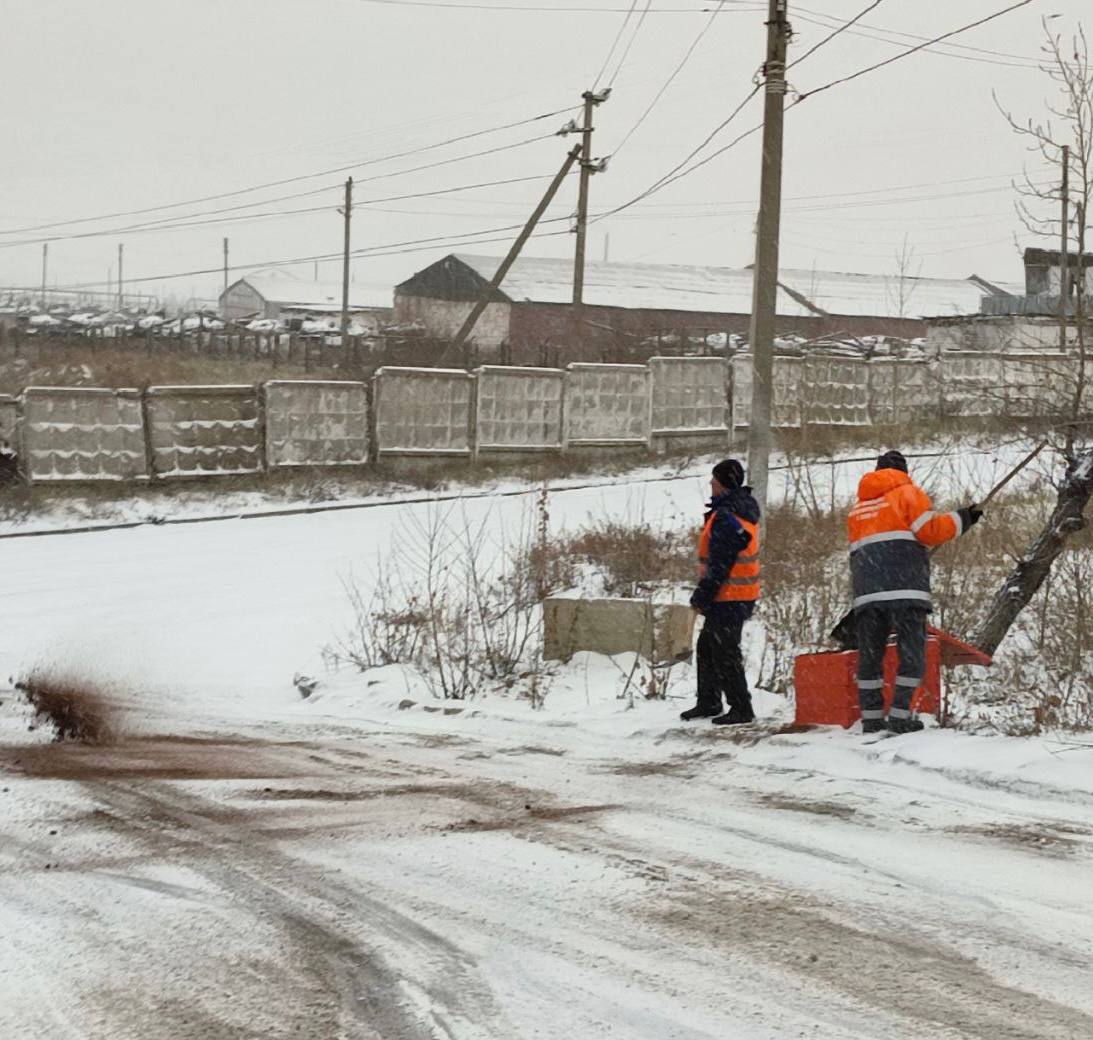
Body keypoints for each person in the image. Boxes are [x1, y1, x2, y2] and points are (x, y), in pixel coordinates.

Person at [848, 449, 982, 734]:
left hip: (868, 592)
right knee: (912, 654)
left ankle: (871, 719)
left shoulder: (858, 509)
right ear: (904, 472)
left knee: (870, 657)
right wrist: (964, 518)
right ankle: (899, 717)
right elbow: (931, 531)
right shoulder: (908, 493)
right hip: (905, 587)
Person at [680, 458, 761, 726]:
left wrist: (703, 594)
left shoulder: (728, 516)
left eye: (714, 479)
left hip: (729, 595)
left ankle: (741, 708)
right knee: (707, 646)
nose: (710, 483)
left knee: (725, 651)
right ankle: (709, 701)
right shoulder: (736, 510)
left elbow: (721, 562)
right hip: (735, 594)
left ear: (724, 483)